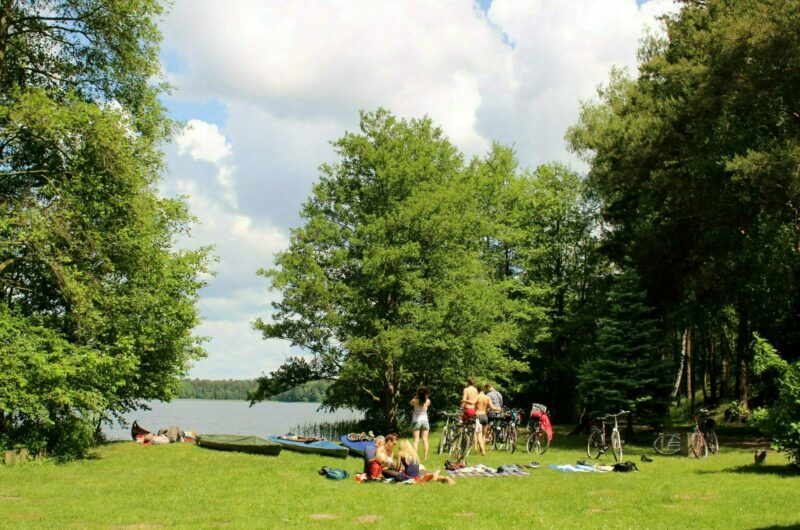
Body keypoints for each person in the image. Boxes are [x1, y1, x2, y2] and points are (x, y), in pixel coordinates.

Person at [474, 385, 502, 455]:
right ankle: (481, 451)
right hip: (485, 417)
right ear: (483, 390)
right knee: (484, 435)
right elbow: (492, 407)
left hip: (478, 416)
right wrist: (499, 408)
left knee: (479, 435)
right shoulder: (487, 397)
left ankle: (483, 451)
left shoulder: (477, 397)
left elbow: (473, 405)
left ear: (478, 390)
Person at [410, 386, 431, 459]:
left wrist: (416, 397)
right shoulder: (428, 401)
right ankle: (425, 457)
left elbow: (410, 403)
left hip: (416, 420)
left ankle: (415, 457)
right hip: (425, 420)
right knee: (425, 440)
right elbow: (427, 404)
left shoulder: (415, 400)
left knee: (416, 440)